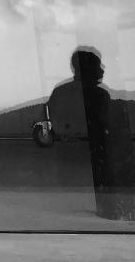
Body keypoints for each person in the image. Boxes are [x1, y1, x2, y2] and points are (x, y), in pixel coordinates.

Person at [47, 47, 135, 220]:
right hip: (90, 159)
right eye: (98, 64)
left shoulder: (59, 92)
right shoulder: (99, 94)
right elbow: (104, 128)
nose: (103, 68)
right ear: (88, 68)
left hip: (65, 160)